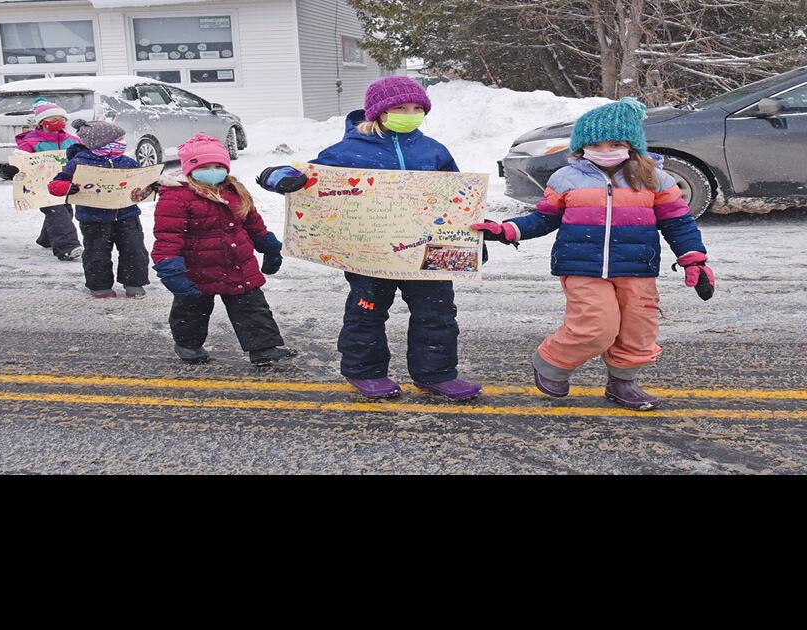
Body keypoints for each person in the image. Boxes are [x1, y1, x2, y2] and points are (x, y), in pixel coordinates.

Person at [473, 97, 712, 411]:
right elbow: (544, 218)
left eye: (615, 142)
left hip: (637, 268)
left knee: (637, 329)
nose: (605, 149)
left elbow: (678, 223)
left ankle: (623, 383)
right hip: (582, 267)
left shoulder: (654, 179)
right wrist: (507, 230)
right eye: (596, 143)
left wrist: (693, 258)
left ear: (632, 145)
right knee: (597, 327)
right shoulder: (565, 179)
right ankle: (552, 362)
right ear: (581, 146)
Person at [257, 76, 481, 401]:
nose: (411, 113)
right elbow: (309, 177)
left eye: (418, 108)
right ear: (378, 111)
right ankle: (365, 371)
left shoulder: (433, 150)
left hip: (427, 250)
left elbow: (458, 198)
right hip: (369, 250)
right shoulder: (349, 151)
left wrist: (470, 239)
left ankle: (436, 374)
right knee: (367, 310)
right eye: (401, 107)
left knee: (438, 315)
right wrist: (277, 176)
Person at [152, 133, 296, 366]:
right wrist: (170, 268)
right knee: (191, 310)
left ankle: (264, 348)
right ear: (190, 168)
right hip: (197, 268)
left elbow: (252, 223)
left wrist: (269, 246)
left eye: (218, 165)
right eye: (206, 166)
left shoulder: (233, 190)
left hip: (238, 264)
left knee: (252, 307)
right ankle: (188, 344)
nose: (213, 170)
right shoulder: (177, 196)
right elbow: (168, 236)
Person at [48, 119, 151, 298]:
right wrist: (66, 188)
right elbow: (55, 184)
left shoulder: (127, 161)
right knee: (97, 253)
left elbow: (143, 181)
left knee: (134, 250)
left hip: (127, 215)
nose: (122, 143)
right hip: (93, 219)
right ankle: (99, 285)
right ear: (103, 142)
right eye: (119, 139)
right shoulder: (80, 162)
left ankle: (134, 283)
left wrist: (152, 186)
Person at [14, 98, 83, 261]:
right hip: (40, 185)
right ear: (42, 122)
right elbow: (19, 160)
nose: (58, 122)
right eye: (53, 119)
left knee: (65, 211)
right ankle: (68, 247)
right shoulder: (30, 142)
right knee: (57, 211)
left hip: (63, 184)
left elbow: (82, 154)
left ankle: (46, 239)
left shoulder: (72, 141)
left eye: (62, 119)